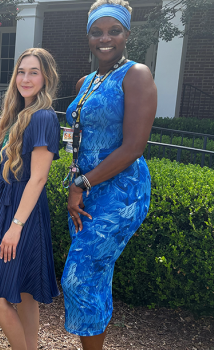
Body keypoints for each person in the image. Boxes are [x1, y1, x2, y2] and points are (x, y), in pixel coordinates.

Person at [61, 1, 157, 349]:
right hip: (86, 191)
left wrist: (80, 183)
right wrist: (77, 179)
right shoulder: (86, 81)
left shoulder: (137, 75)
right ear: (88, 36)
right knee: (96, 276)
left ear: (127, 33)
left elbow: (133, 147)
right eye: (96, 32)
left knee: (80, 276)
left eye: (113, 31)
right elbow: (79, 137)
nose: (105, 38)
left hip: (121, 191)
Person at [0, 48, 61, 350]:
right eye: (21, 71)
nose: (25, 78)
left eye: (34, 72)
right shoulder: (18, 115)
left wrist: (15, 226)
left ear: (46, 77)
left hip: (23, 215)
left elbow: (38, 178)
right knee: (26, 293)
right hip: (16, 210)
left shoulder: (42, 117)